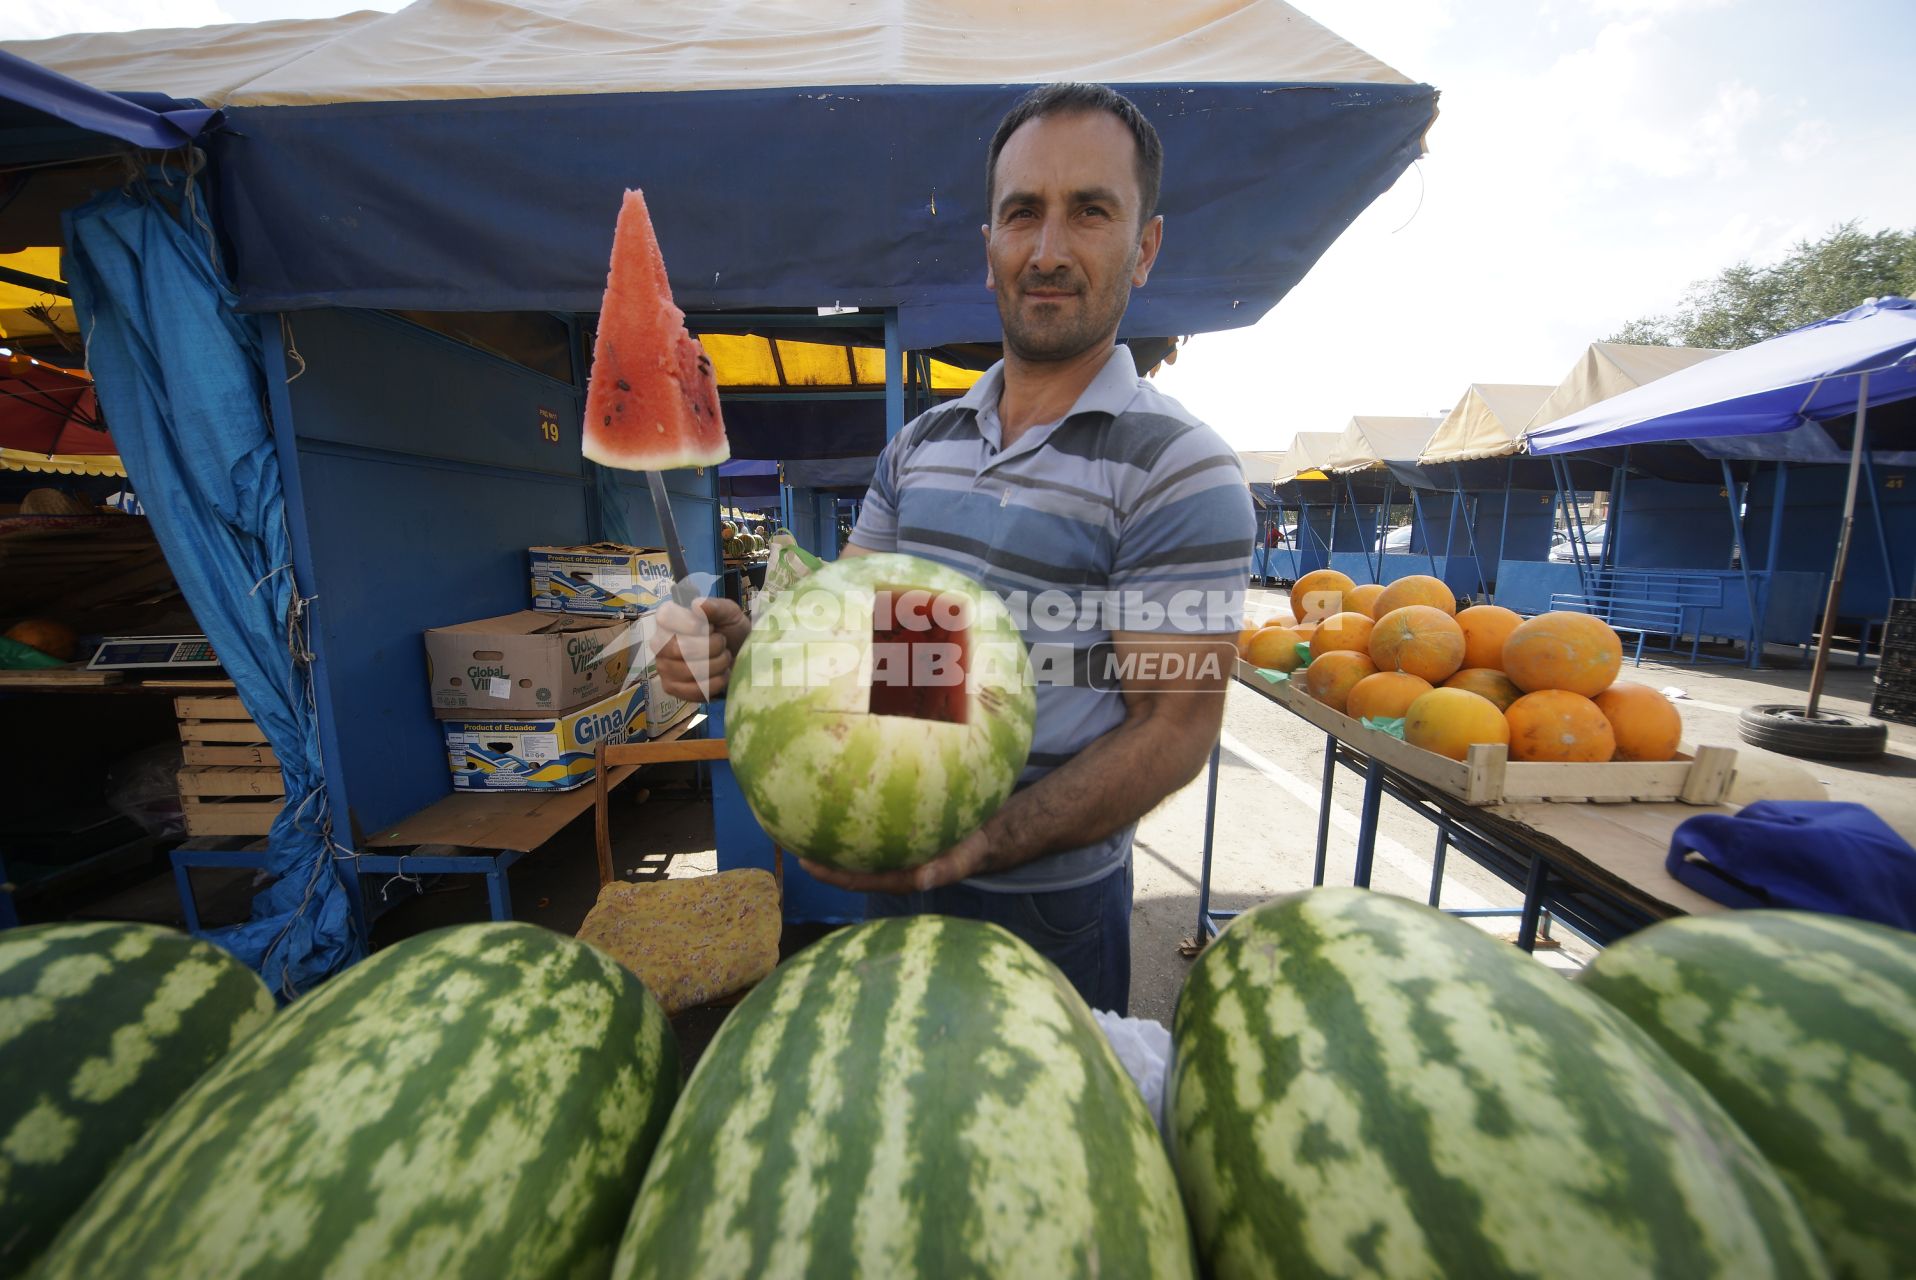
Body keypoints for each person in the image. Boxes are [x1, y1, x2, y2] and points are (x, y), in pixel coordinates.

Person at [655, 83, 1254, 1013]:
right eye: (1023, 214)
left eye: (1089, 212)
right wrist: (741, 649)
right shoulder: (921, 446)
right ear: (989, 249)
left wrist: (985, 842)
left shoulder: (1180, 469)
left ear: (1146, 248)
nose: (1048, 250)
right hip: (893, 881)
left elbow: (1174, 730)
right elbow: (842, 640)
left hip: (1049, 910)